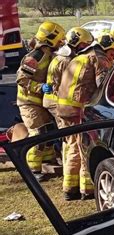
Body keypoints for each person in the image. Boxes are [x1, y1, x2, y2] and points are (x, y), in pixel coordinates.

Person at [56, 34, 114, 201]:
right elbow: (105, 85)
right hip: (77, 109)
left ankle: (70, 189)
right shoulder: (99, 59)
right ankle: (88, 190)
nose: (112, 58)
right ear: (108, 49)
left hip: (63, 107)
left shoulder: (82, 56)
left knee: (72, 146)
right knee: (86, 147)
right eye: (113, 54)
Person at [16, 21, 65, 181]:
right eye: (59, 39)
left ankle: (47, 160)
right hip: (29, 103)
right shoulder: (34, 57)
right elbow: (21, 79)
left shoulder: (50, 54)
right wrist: (41, 87)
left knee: (49, 131)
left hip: (41, 102)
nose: (61, 43)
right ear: (50, 38)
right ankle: (32, 169)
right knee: (37, 134)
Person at [43, 27, 95, 118]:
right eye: (85, 45)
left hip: (52, 99)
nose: (86, 48)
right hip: (55, 101)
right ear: (76, 43)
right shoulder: (66, 60)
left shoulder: (60, 56)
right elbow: (68, 83)